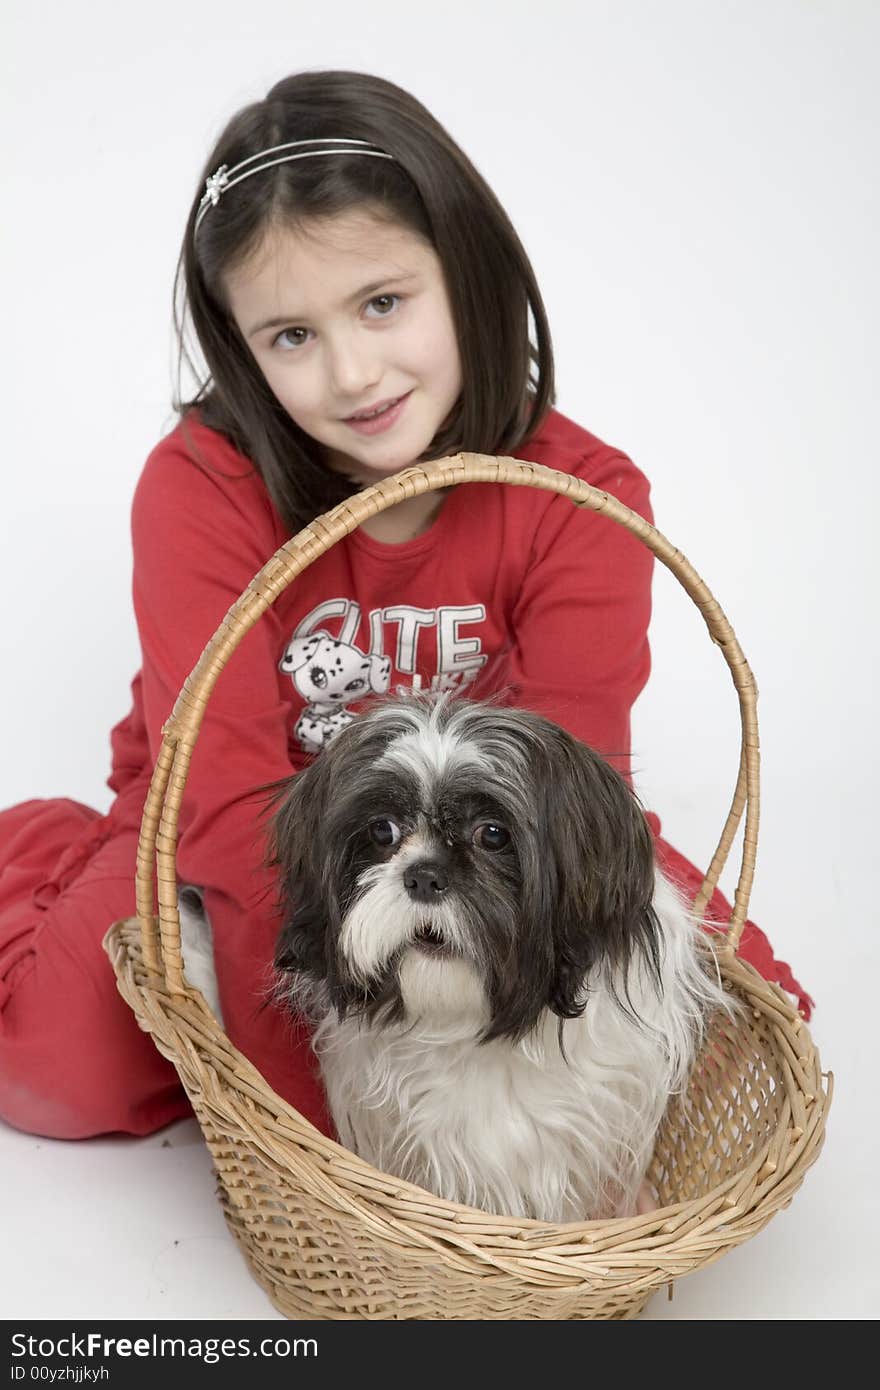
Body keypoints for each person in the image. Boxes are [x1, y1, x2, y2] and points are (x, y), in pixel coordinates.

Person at [0, 70, 812, 1142]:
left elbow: (572, 798)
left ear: (464, 269)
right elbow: (233, 810)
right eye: (289, 337)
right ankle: (39, 861)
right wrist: (325, 1129)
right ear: (241, 349)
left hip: (488, 834)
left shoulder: (582, 497)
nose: (351, 373)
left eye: (382, 303)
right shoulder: (203, 486)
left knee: (738, 1026)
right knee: (68, 1078)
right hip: (245, 830)